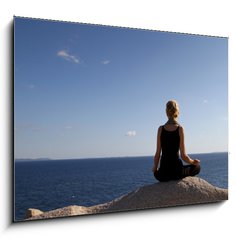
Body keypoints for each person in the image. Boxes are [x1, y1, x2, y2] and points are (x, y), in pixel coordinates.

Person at [152, 100, 201, 182]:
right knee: (197, 167)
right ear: (177, 112)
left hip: (163, 174)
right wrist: (193, 162)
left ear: (166, 112)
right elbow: (183, 156)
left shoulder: (160, 129)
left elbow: (157, 153)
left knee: (156, 173)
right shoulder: (180, 129)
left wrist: (155, 168)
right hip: (177, 172)